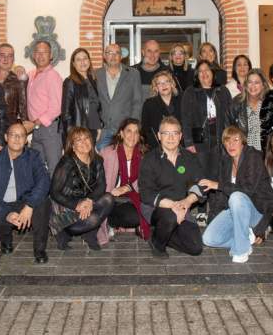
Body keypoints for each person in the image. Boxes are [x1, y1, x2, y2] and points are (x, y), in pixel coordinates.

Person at [138, 117, 207, 257]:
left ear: (180, 136)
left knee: (195, 247)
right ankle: (157, 244)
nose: (170, 138)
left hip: (181, 207)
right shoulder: (149, 159)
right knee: (170, 217)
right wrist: (174, 206)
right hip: (155, 207)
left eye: (175, 133)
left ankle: (158, 232)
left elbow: (202, 185)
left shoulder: (190, 158)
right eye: (166, 133)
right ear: (159, 136)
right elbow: (146, 194)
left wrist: (186, 202)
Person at [0, 122, 51, 263]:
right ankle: (6, 241)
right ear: (6, 137)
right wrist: (6, 213)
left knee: (44, 202)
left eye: (21, 135)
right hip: (3, 205)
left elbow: (44, 182)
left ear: (26, 140)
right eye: (13, 135)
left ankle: (40, 250)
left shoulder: (33, 157)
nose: (17, 138)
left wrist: (30, 205)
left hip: (25, 201)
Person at [201, 127, 270, 263]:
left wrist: (218, 185)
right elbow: (220, 196)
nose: (231, 144)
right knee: (209, 239)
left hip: (257, 211)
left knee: (236, 196)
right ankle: (246, 238)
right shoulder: (226, 161)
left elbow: (248, 190)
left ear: (243, 142)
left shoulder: (253, 157)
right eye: (227, 141)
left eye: (235, 140)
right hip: (235, 210)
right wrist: (213, 219)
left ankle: (241, 250)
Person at [181, 60, 232, 225]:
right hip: (199, 142)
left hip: (220, 141)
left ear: (213, 73)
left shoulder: (222, 91)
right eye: (200, 71)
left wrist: (230, 140)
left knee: (217, 175)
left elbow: (230, 116)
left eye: (207, 70)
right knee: (200, 176)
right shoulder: (190, 92)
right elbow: (185, 119)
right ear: (197, 75)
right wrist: (188, 142)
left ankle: (216, 210)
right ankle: (201, 211)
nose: (204, 74)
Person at [50, 127, 115, 250]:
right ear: (72, 145)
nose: (84, 142)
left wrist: (89, 200)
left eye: (86, 138)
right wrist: (77, 205)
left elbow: (101, 186)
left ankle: (89, 235)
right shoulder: (67, 162)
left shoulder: (97, 160)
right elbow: (54, 192)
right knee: (93, 219)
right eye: (79, 140)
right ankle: (64, 232)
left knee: (109, 198)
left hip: (86, 203)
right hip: (67, 207)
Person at [98, 118, 149, 245]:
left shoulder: (143, 155)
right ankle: (109, 222)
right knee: (131, 216)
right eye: (129, 131)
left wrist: (128, 187)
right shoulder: (108, 153)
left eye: (136, 132)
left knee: (140, 215)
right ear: (121, 133)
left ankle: (121, 224)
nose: (132, 135)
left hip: (133, 197)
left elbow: (147, 179)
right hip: (111, 199)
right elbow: (98, 180)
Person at [26, 40, 64, 174]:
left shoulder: (53, 76)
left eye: (44, 52)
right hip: (36, 130)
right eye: (37, 52)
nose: (40, 55)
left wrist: (35, 123)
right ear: (33, 55)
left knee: (54, 169)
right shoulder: (31, 75)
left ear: (51, 55)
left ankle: (56, 190)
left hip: (50, 129)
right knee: (37, 168)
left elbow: (56, 108)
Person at [95, 44, 142, 151]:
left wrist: (132, 128)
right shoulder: (96, 74)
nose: (113, 56)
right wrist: (96, 127)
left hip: (125, 131)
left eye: (117, 53)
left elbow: (137, 102)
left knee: (125, 159)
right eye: (110, 53)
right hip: (104, 131)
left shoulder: (133, 74)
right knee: (104, 159)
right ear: (104, 56)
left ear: (121, 56)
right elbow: (93, 102)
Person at [61, 48, 102, 144]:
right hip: (79, 132)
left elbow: (96, 106)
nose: (82, 62)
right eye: (78, 59)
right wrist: (72, 135)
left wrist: (99, 127)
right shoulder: (70, 82)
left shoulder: (93, 80)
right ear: (73, 64)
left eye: (85, 58)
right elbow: (66, 113)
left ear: (89, 61)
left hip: (94, 129)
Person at [0, 43, 31, 130]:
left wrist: (25, 127)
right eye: (2, 55)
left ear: (13, 59)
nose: (6, 59)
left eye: (10, 56)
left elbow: (23, 107)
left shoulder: (18, 80)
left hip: (9, 128)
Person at [141, 70, 182, 149]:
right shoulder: (149, 104)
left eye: (166, 81)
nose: (164, 85)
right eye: (159, 83)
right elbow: (146, 130)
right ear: (156, 88)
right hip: (157, 147)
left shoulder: (182, 100)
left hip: (181, 146)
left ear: (172, 84)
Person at [230, 68, 269, 151]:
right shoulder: (236, 103)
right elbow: (229, 132)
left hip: (266, 153)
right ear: (245, 85)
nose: (253, 86)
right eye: (250, 82)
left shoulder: (269, 103)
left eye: (256, 82)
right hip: (244, 153)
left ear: (263, 85)